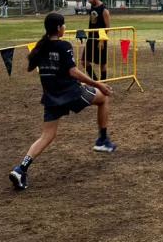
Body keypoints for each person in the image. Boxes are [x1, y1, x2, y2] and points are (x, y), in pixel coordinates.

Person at [8, 12, 116, 191]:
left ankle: (21, 169)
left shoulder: (40, 47)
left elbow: (33, 67)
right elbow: (73, 72)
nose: (65, 28)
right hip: (70, 93)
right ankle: (102, 140)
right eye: (64, 25)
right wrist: (98, 83)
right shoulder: (63, 45)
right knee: (103, 97)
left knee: (47, 136)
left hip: (51, 96)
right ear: (58, 28)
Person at [83, 0, 110, 81]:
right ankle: (95, 81)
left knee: (102, 64)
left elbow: (107, 27)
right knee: (84, 61)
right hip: (91, 38)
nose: (89, 1)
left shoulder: (104, 10)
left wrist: (102, 40)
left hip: (100, 40)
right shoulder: (92, 7)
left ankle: (103, 83)